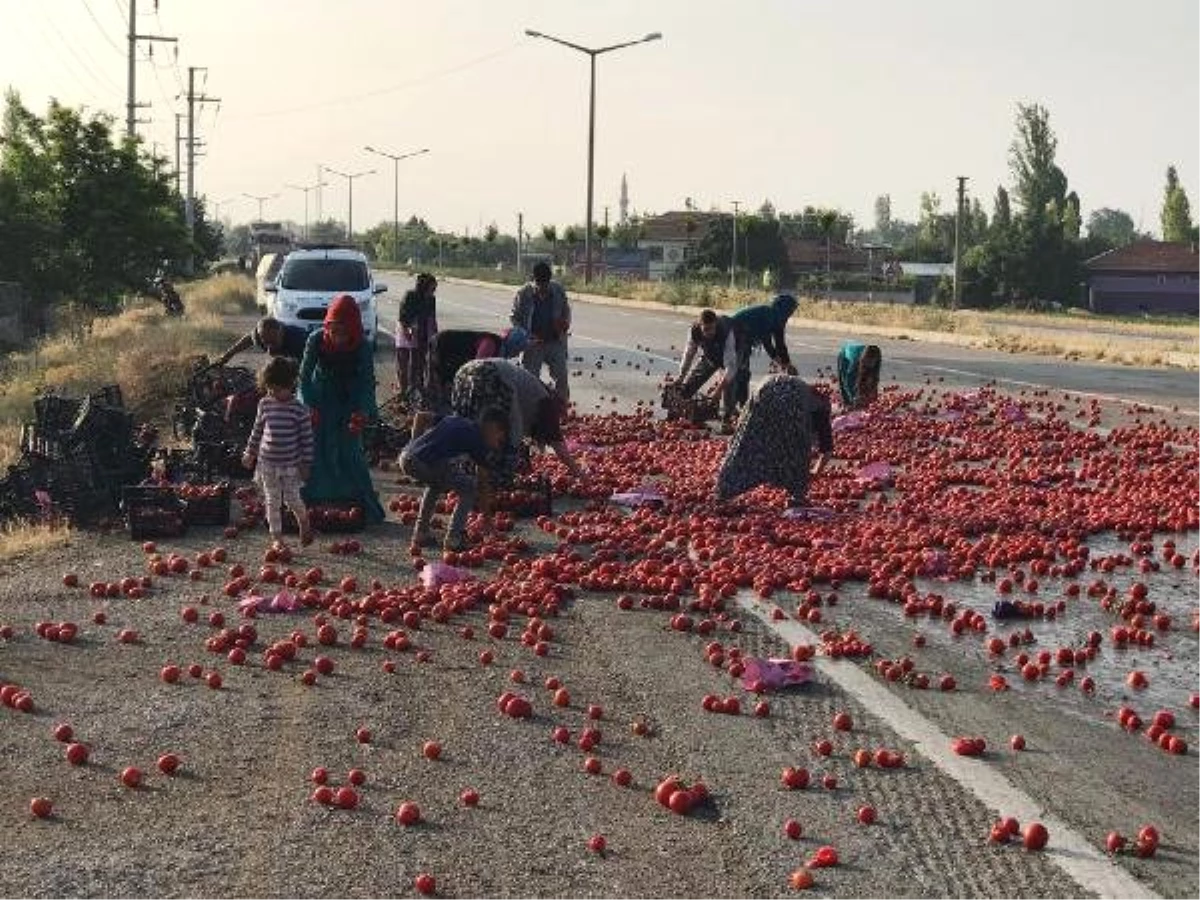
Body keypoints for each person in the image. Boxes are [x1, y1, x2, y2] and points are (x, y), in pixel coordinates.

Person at [298, 294, 385, 523]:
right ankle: (312, 500)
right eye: (333, 331)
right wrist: (307, 405)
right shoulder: (316, 340)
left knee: (350, 449)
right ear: (327, 327)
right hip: (320, 397)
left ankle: (354, 499)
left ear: (354, 330)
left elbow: (367, 382)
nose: (337, 338)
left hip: (350, 399)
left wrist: (363, 412)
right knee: (316, 447)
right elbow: (304, 378)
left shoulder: (363, 346)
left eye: (344, 333)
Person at [450, 358, 585, 482]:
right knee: (505, 434)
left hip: (465, 371)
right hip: (491, 375)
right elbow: (560, 449)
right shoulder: (548, 408)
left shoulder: (535, 394)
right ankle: (494, 479)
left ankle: (458, 473)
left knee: (467, 424)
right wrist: (579, 473)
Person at [398, 407, 508, 552]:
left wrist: (414, 444)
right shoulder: (478, 440)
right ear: (492, 427)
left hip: (406, 457)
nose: (498, 442)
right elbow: (482, 483)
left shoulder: (457, 420)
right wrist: (488, 521)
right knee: (469, 487)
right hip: (422, 462)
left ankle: (421, 533)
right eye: (500, 437)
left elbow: (421, 416)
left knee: (436, 483)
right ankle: (453, 538)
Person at [715, 374, 833, 509]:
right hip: (791, 400)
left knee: (745, 441)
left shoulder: (810, 395)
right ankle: (797, 496)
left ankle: (724, 489)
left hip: (764, 388)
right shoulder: (821, 411)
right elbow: (827, 449)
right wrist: (815, 472)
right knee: (797, 449)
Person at [242, 357, 313, 546]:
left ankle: (304, 521)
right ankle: (277, 538)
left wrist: (306, 463)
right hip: (267, 463)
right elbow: (257, 430)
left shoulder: (299, 410)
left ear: (291, 385)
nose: (273, 393)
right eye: (270, 388)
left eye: (278, 389)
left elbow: (307, 440)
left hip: (290, 465)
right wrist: (250, 452)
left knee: (292, 499)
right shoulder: (265, 404)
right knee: (272, 501)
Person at [427, 327, 529, 411]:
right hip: (443, 345)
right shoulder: (491, 344)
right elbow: (476, 368)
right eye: (518, 350)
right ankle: (435, 409)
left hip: (453, 353)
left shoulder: (499, 348)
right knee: (442, 383)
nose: (516, 354)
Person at [511, 262, 571, 402]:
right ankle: (531, 411)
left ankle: (561, 408)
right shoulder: (523, 293)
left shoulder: (558, 290)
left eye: (546, 284)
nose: (543, 288)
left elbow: (566, 310)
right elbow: (514, 317)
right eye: (540, 284)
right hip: (533, 344)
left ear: (549, 280)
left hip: (554, 341)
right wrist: (525, 334)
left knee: (561, 377)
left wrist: (564, 324)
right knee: (529, 380)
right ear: (534, 279)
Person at [729, 293, 800, 405]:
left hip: (744, 339)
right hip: (736, 336)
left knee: (742, 373)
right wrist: (783, 365)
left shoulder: (779, 318)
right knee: (740, 373)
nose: (791, 313)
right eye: (791, 310)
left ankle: (740, 403)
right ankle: (736, 405)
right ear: (785, 308)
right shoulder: (768, 314)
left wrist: (787, 364)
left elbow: (780, 343)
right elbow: (767, 342)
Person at [676, 308, 740, 428]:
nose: (709, 332)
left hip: (735, 349)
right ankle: (685, 411)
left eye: (712, 328)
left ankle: (728, 417)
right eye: (706, 329)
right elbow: (689, 354)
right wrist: (681, 376)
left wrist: (718, 390)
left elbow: (730, 367)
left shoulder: (726, 332)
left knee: (729, 387)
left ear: (716, 324)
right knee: (693, 380)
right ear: (700, 326)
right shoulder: (694, 331)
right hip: (710, 354)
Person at [396, 273, 439, 405]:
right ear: (423, 287)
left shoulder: (431, 299)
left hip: (422, 331)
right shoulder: (410, 296)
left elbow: (432, 318)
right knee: (404, 362)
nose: (432, 292)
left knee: (419, 361)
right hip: (406, 329)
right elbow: (402, 317)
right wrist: (407, 330)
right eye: (431, 289)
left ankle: (417, 388)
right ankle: (403, 391)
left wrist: (435, 336)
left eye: (434, 289)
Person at [215, 317, 310, 367]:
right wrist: (226, 356)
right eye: (265, 342)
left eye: (273, 342)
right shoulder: (258, 337)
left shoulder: (299, 340)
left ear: (280, 333)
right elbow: (244, 342)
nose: (269, 347)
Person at [836, 341, 882, 409]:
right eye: (869, 362)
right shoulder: (855, 363)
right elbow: (847, 381)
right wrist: (853, 397)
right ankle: (847, 404)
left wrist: (872, 393)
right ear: (865, 359)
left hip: (860, 357)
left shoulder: (876, 361)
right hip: (844, 356)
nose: (870, 365)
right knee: (844, 388)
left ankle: (860, 398)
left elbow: (875, 378)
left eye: (872, 363)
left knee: (866, 378)